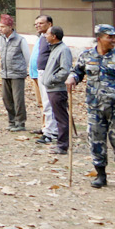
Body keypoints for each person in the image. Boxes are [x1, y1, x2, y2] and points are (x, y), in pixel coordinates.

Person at [68, 24, 115, 189]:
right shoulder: (87, 56)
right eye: (110, 37)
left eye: (114, 37)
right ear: (99, 38)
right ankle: (100, 174)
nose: (113, 40)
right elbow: (78, 71)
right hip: (95, 107)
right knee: (95, 140)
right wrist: (72, 78)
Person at [39, 26, 73, 155]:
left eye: (47, 34)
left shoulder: (63, 50)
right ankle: (60, 143)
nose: (45, 36)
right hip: (51, 89)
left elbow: (65, 70)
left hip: (57, 89)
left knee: (61, 118)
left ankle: (63, 145)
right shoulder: (54, 49)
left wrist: (52, 79)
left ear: (54, 36)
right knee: (58, 116)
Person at [28, 14, 58, 144]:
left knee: (49, 103)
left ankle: (51, 132)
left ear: (49, 24)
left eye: (40, 23)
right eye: (36, 24)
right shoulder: (41, 38)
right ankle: (45, 127)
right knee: (42, 103)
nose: (37, 26)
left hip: (48, 75)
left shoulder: (53, 39)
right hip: (36, 73)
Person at [0, 14, 29, 132]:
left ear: (10, 27)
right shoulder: (0, 39)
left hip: (17, 73)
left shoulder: (20, 40)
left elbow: (27, 57)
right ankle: (11, 121)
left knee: (18, 99)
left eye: (3, 26)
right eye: (0, 26)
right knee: (6, 98)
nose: (0, 29)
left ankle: (20, 122)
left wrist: (23, 69)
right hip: (5, 73)